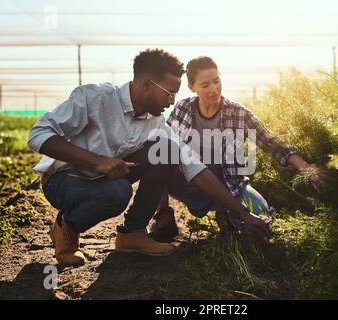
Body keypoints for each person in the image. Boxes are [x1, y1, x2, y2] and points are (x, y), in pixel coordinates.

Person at [27, 49, 271, 266]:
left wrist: (242, 212)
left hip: (106, 179)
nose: (172, 101)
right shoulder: (95, 98)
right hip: (64, 180)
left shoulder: (156, 124)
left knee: (166, 150)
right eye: (168, 93)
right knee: (118, 192)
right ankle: (67, 226)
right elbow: (38, 135)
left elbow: (195, 168)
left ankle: (131, 233)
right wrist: (96, 161)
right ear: (146, 84)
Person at [149, 56, 324, 241]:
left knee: (265, 219)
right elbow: (165, 144)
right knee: (159, 152)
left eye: (216, 81)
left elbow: (270, 141)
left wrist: (304, 167)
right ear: (192, 87)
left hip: (229, 185)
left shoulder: (239, 114)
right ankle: (164, 216)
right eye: (205, 85)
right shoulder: (183, 108)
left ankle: (225, 212)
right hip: (186, 182)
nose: (214, 89)